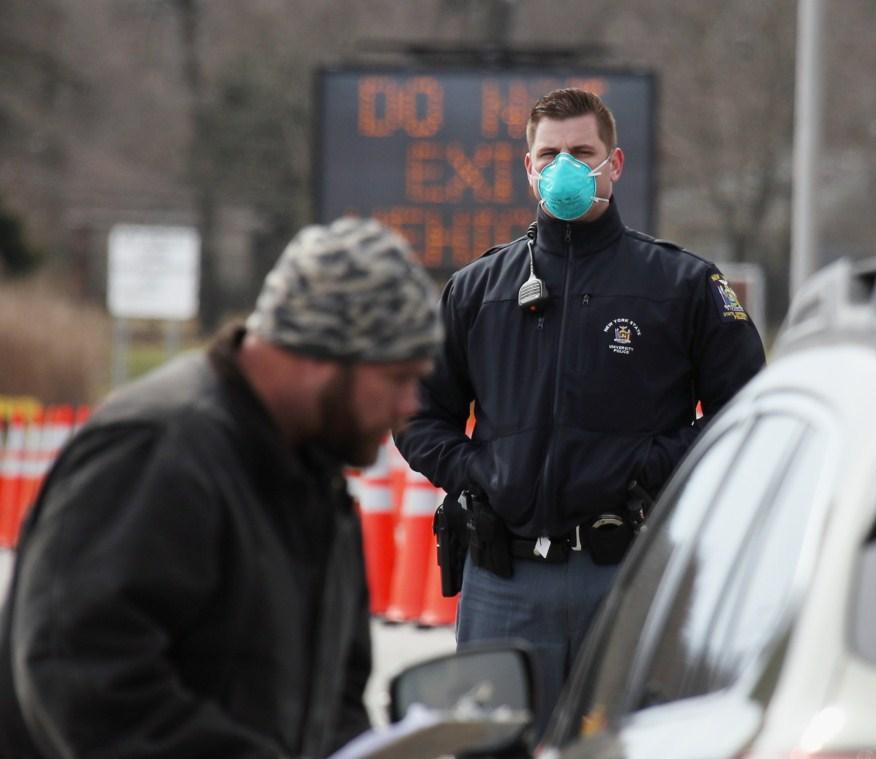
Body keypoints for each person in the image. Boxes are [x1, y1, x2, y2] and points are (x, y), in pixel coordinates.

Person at [0, 217, 442, 758]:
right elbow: (80, 676)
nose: (410, 406)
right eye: (398, 378)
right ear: (317, 357)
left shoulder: (310, 473)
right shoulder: (159, 451)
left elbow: (335, 700)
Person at [397, 88, 766, 727]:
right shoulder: (478, 290)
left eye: (582, 152)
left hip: (629, 577)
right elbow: (418, 416)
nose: (565, 167)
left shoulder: (680, 285)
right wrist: (483, 471)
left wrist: (650, 465)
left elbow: (748, 413)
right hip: (504, 584)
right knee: (496, 743)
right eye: (550, 154)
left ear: (615, 163)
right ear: (528, 167)